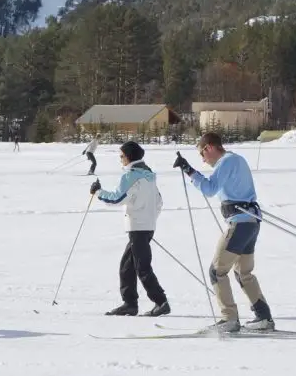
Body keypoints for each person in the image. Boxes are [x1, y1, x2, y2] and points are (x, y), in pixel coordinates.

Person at [173, 132, 274, 333]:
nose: (203, 160)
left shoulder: (226, 162)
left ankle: (229, 318)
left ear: (209, 147)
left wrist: (188, 170)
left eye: (202, 155)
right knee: (243, 272)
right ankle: (264, 317)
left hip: (239, 224)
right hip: (251, 223)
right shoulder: (237, 159)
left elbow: (210, 189)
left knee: (216, 271)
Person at [91, 141, 170, 317]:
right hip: (146, 226)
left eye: (121, 156)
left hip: (138, 227)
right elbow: (159, 201)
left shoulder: (130, 176)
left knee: (142, 267)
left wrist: (98, 192)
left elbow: (117, 199)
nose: (120, 160)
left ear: (129, 156)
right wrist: (149, 220)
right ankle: (130, 304)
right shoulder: (149, 175)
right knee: (127, 266)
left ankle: (160, 301)